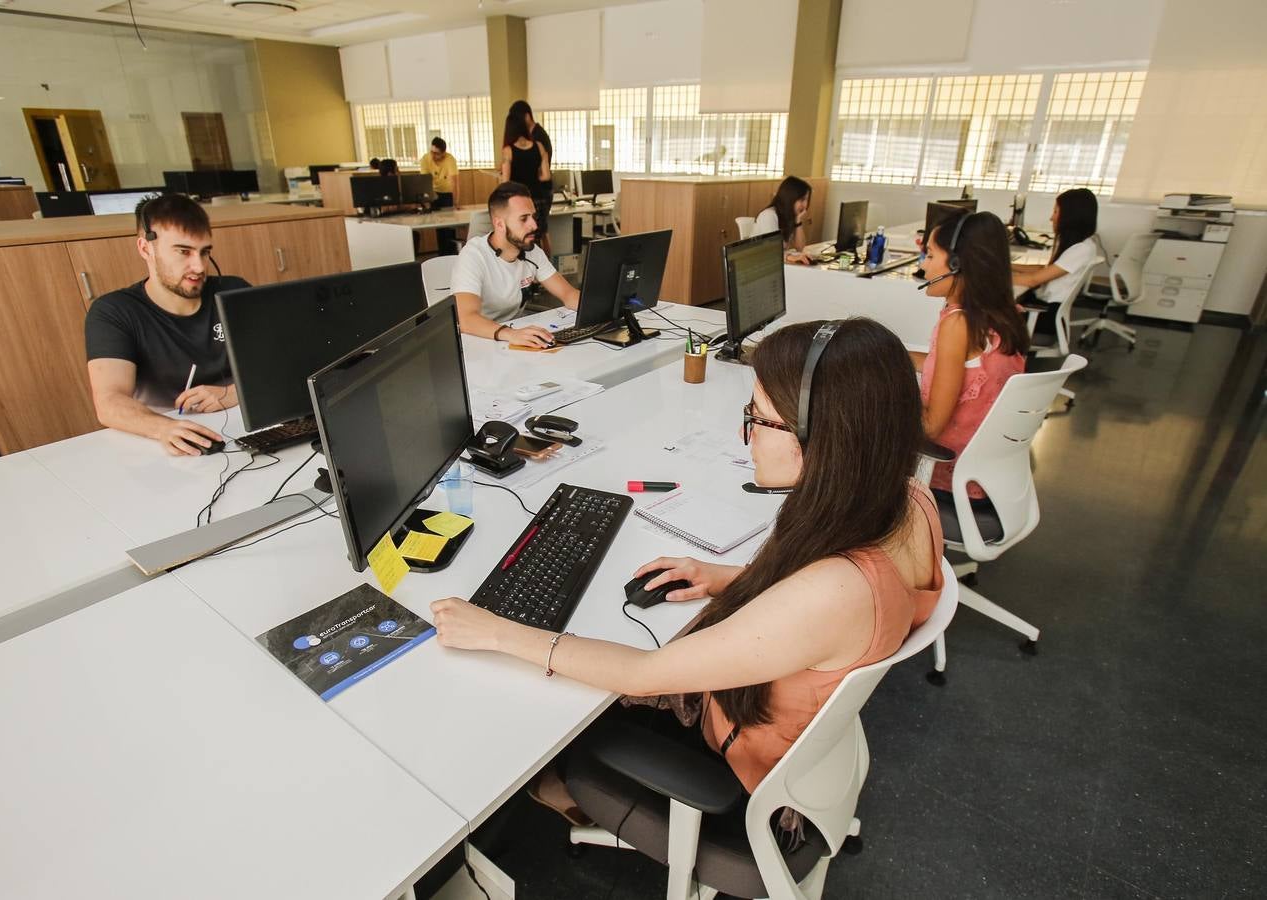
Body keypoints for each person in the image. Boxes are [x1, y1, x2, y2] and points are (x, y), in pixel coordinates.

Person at [432, 318, 944, 811]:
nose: (748, 437)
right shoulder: (911, 501)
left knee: (551, 692)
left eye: (759, 419)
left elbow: (642, 673)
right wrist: (727, 577)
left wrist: (497, 631)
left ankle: (567, 790)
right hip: (797, 721)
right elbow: (821, 611)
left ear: (821, 439)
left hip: (745, 762)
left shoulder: (836, 590)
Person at [84, 193, 250, 456]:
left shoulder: (233, 292)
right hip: (163, 445)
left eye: (204, 252)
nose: (198, 266)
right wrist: (164, 428)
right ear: (145, 248)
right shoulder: (114, 312)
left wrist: (231, 393)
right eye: (184, 252)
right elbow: (110, 401)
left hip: (240, 429)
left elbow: (277, 364)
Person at [915, 211, 1029, 497]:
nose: (923, 266)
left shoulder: (958, 324)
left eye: (929, 255)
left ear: (956, 265)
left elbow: (930, 428)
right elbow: (950, 368)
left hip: (948, 478)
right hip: (991, 475)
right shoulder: (1003, 315)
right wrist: (892, 355)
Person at [451, 182, 580, 348]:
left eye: (533, 217)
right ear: (499, 224)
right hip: (479, 340)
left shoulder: (532, 251)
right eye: (523, 219)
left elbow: (568, 294)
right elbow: (466, 318)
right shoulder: (473, 256)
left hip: (513, 335)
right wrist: (510, 334)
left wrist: (602, 311)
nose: (534, 225)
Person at [1011, 188, 1100, 334]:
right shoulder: (1079, 245)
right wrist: (1006, 265)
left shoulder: (1080, 250)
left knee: (980, 315)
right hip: (1042, 308)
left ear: (1071, 217)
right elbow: (1044, 270)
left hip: (1044, 316)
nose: (1051, 218)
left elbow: (1033, 280)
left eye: (1056, 212)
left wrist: (995, 276)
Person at [500, 108, 551, 250]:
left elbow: (505, 183)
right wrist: (534, 176)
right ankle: (547, 269)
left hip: (520, 202)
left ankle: (525, 271)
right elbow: (546, 176)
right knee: (541, 235)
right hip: (539, 199)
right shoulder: (539, 146)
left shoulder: (508, 150)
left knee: (523, 240)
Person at [752, 176, 813, 265]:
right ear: (790, 198)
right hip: (758, 265)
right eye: (802, 199)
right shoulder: (769, 215)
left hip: (773, 263)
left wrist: (798, 221)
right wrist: (790, 257)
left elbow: (800, 248)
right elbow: (771, 251)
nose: (805, 204)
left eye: (807, 200)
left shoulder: (788, 216)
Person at [421, 136, 459, 252]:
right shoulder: (425, 159)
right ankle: (442, 253)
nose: (433, 155)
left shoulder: (450, 159)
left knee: (449, 226)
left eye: (437, 153)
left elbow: (455, 182)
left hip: (447, 193)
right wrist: (426, 201)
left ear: (443, 153)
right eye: (432, 152)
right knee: (439, 226)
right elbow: (424, 181)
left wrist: (456, 202)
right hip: (433, 194)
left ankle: (452, 254)